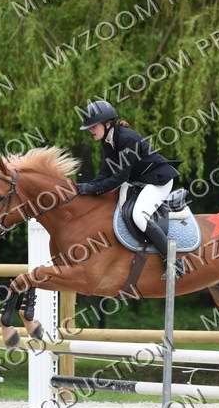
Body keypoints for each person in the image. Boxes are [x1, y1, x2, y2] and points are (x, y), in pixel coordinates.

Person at [75, 100, 183, 278]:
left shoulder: (127, 139)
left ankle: (173, 261)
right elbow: (106, 171)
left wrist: (92, 189)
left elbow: (120, 177)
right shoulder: (108, 139)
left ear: (107, 123)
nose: (90, 130)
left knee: (139, 215)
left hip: (158, 181)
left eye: (93, 126)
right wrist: (87, 187)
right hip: (139, 182)